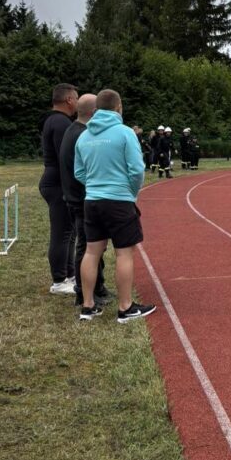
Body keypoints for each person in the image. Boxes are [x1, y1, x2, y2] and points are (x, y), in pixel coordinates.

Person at [74, 89, 156, 324]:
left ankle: (88, 306)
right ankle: (125, 307)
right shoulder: (125, 133)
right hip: (119, 200)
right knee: (124, 253)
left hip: (92, 201)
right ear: (119, 107)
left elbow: (79, 172)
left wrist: (95, 185)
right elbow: (136, 170)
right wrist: (131, 192)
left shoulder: (84, 136)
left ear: (97, 109)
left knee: (92, 252)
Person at [59, 93, 111, 310]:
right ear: (95, 112)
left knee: (93, 244)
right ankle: (84, 292)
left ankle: (97, 286)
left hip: (77, 197)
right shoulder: (83, 135)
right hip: (82, 199)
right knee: (88, 246)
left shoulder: (74, 130)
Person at [39, 83, 79, 294]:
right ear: (69, 100)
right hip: (57, 184)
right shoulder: (61, 122)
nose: (78, 102)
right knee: (62, 233)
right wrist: (70, 188)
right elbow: (65, 158)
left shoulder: (55, 120)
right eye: (77, 98)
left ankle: (70, 274)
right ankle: (59, 280)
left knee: (69, 232)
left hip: (56, 181)